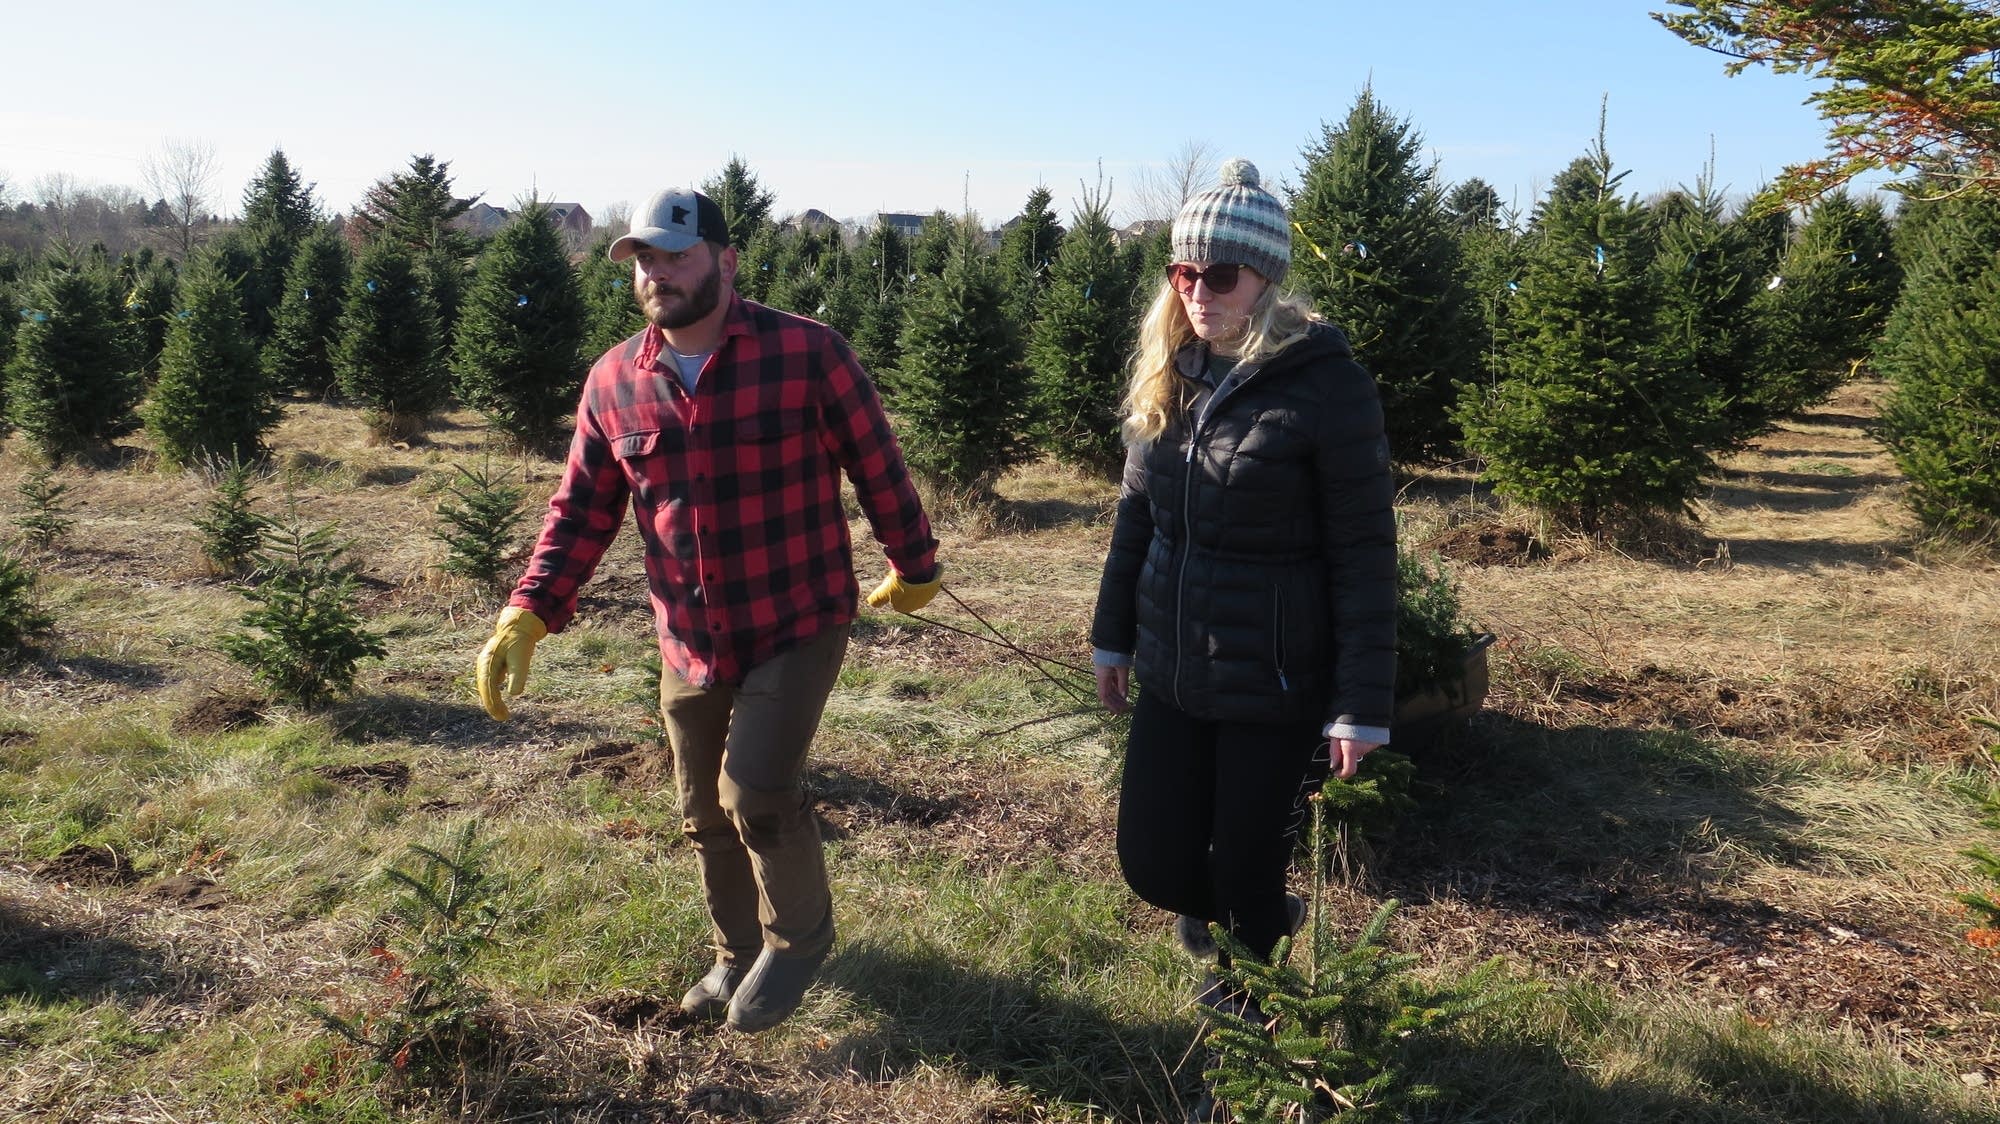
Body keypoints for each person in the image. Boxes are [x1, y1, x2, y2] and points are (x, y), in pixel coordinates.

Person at [475, 185, 942, 1034]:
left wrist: (914, 563)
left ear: (726, 261)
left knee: (756, 791)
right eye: (644, 260)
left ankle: (797, 940)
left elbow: (878, 463)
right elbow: (581, 510)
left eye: (676, 255)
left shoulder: (807, 354)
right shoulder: (615, 380)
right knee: (702, 812)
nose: (658, 273)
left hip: (797, 617)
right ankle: (734, 954)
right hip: (688, 636)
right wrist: (529, 610)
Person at [1090, 158, 1396, 1002]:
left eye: (1219, 274)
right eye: (1183, 271)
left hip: (1274, 676)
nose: (1198, 291)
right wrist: (1112, 636)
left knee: (1247, 857)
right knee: (1150, 861)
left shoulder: (1328, 388)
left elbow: (1366, 555)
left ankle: (1253, 1017)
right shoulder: (1171, 379)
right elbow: (1136, 519)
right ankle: (1243, 915)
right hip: (1174, 669)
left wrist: (1362, 705)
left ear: (1266, 278)